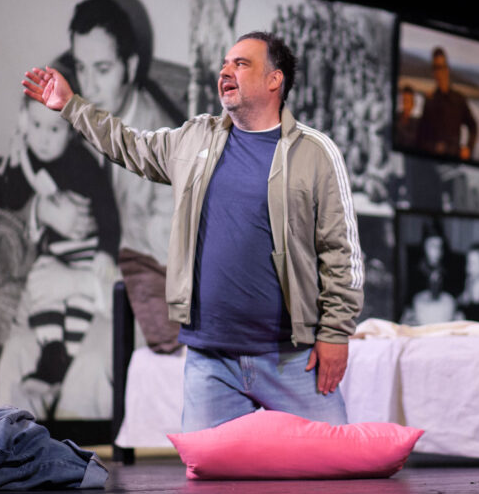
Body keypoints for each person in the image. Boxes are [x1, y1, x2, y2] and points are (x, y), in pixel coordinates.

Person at [22, 31, 364, 431]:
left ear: (275, 79)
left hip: (290, 356)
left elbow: (341, 252)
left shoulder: (315, 152)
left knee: (334, 464)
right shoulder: (195, 138)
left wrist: (335, 334)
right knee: (205, 472)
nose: (226, 71)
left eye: (241, 64)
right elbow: (127, 144)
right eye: (225, 63)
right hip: (210, 360)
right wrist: (71, 106)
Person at [0, 0, 181, 419]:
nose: (89, 85)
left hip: (129, 302)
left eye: (102, 69)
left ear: (129, 67)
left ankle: (76, 461)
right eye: (81, 67)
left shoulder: (168, 150)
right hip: (66, 276)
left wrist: (78, 284)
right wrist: (42, 211)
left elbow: (166, 275)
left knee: (87, 376)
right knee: (16, 357)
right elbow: (12, 182)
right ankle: (0, 458)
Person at [0, 96, 121, 388]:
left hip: (86, 251)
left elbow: (107, 209)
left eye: (54, 129)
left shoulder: (81, 162)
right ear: (25, 120)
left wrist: (106, 251)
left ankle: (69, 357)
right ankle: (52, 353)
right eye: (36, 125)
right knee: (42, 292)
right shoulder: (28, 156)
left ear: (71, 130)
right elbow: (11, 196)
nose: (43, 138)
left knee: (79, 303)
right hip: (55, 253)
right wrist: (17, 155)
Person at [417, 47, 478, 160]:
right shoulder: (429, 101)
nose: (439, 72)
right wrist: (433, 148)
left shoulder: (459, 99)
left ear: (447, 69)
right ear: (433, 72)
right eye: (435, 68)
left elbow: (473, 126)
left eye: (442, 67)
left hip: (455, 159)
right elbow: (421, 137)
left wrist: (468, 148)